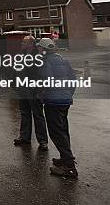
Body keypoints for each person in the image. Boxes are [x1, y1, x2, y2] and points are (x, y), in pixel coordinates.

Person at [37, 37, 78, 178]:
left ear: (43, 50)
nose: (38, 50)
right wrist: (68, 94)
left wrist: (42, 97)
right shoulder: (63, 60)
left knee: (56, 133)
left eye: (39, 48)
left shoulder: (45, 62)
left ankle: (69, 167)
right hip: (65, 101)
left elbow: (47, 82)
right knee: (63, 130)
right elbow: (73, 80)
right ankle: (65, 158)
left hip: (53, 102)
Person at [13, 35, 48, 150]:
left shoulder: (37, 57)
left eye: (24, 42)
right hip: (23, 90)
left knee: (38, 115)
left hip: (33, 90)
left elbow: (41, 75)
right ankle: (24, 137)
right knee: (25, 113)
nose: (22, 44)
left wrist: (39, 89)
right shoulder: (20, 55)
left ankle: (42, 141)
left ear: (30, 44)